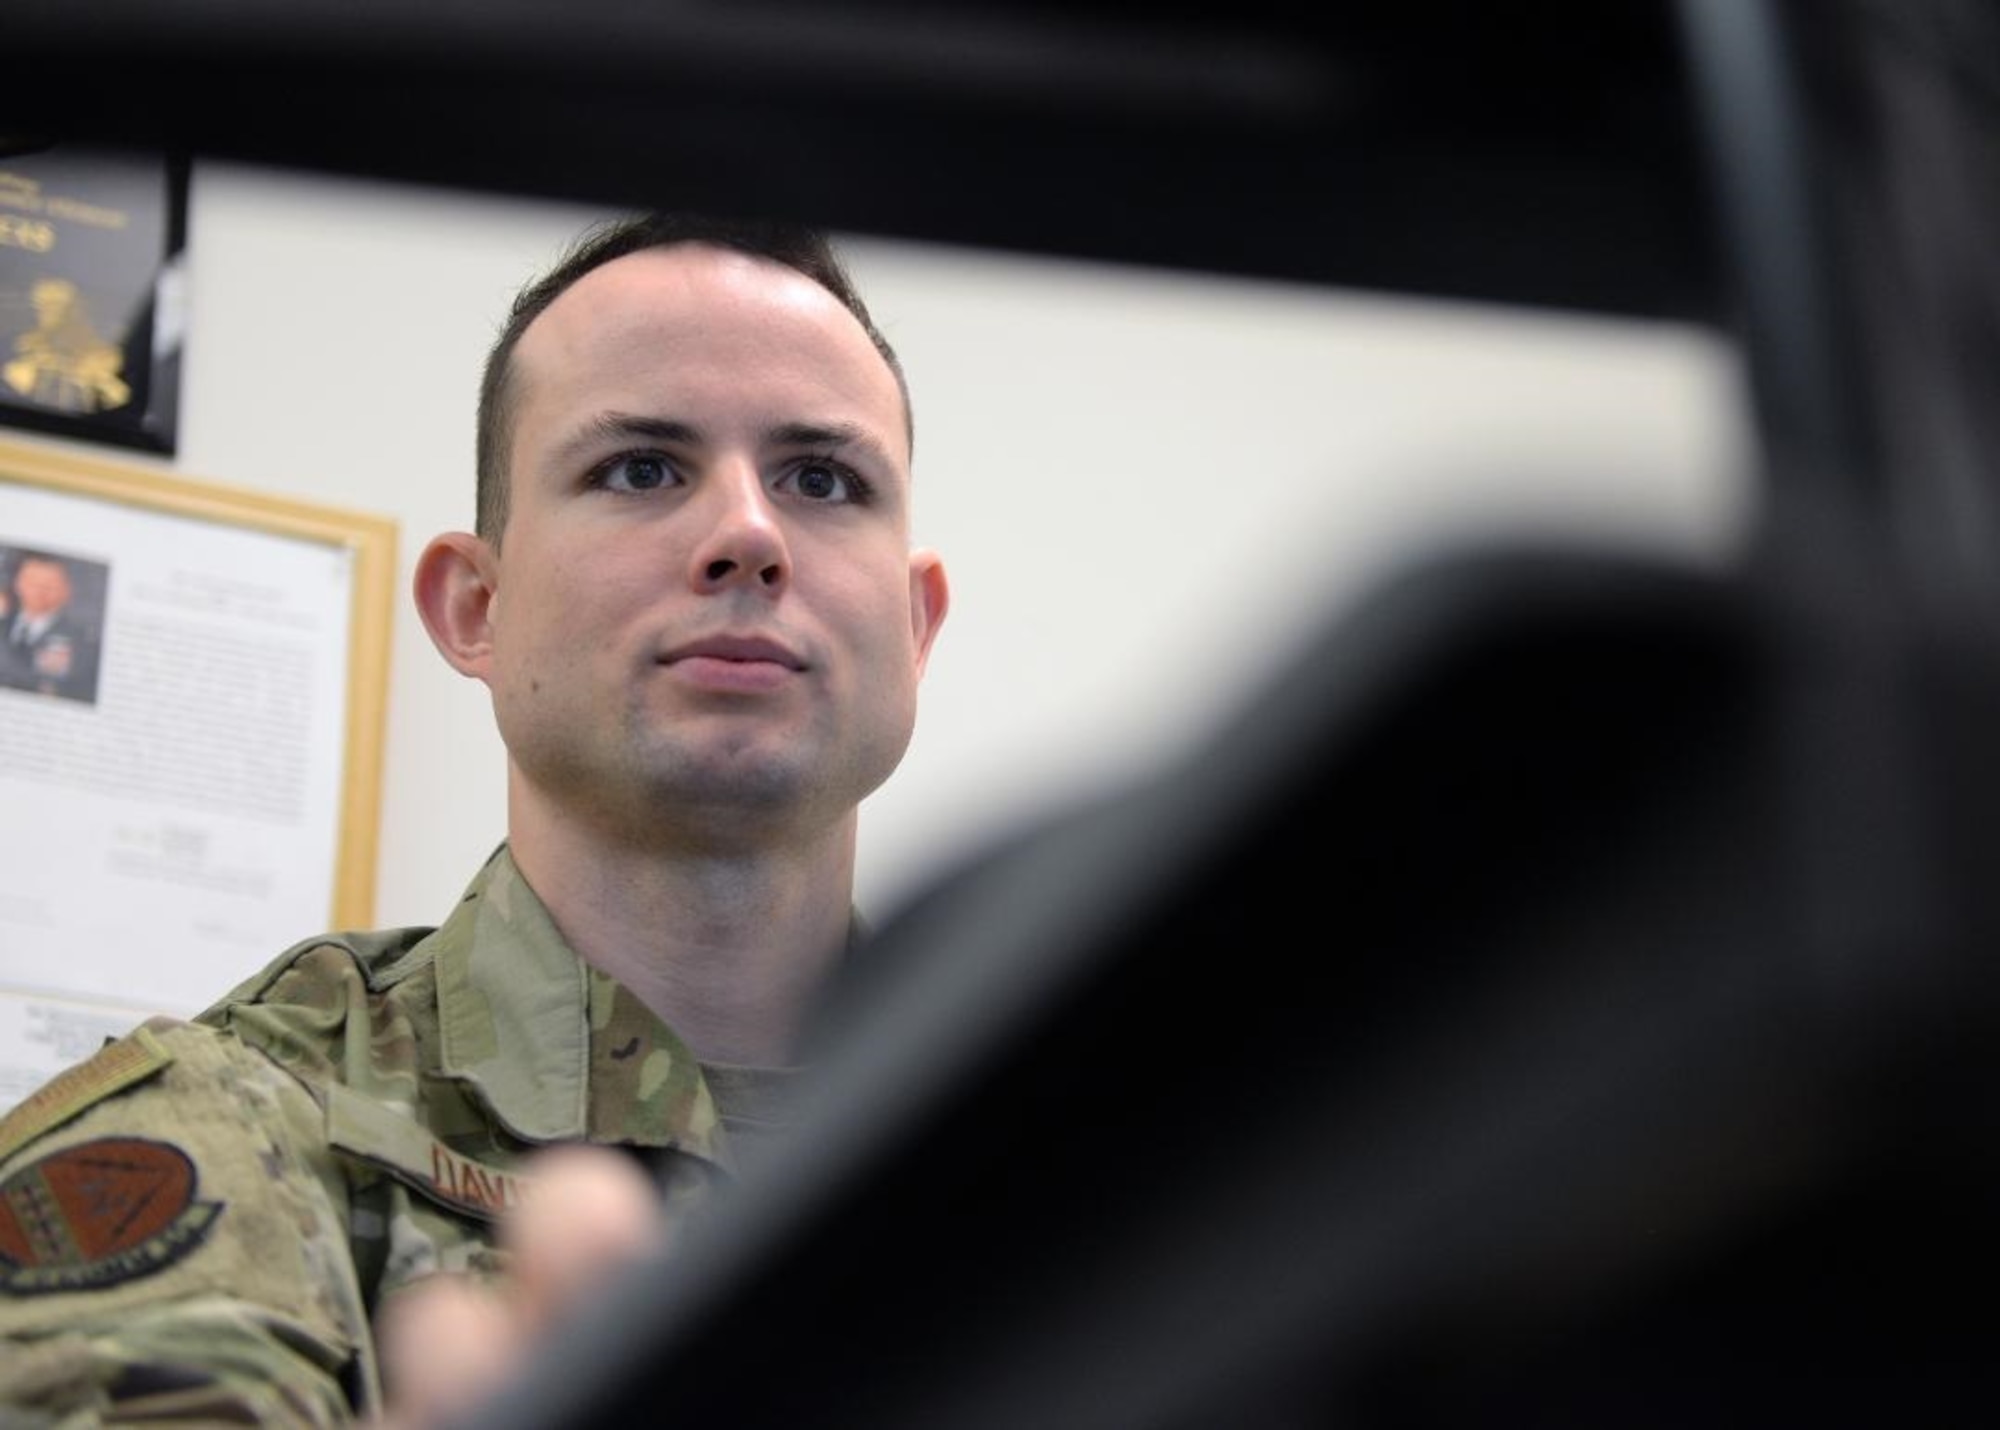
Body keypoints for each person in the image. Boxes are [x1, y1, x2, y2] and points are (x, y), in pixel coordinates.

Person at [0, 211, 951, 1424]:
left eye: (821, 478)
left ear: (914, 630)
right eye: (642, 468)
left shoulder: (1091, 1127)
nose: (748, 534)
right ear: (474, 607)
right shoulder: (247, 1123)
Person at [0, 548, 103, 702]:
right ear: (17, 583)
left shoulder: (83, 642)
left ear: (66, 590)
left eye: (49, 585)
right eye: (31, 582)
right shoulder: (3, 623)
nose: (38, 592)